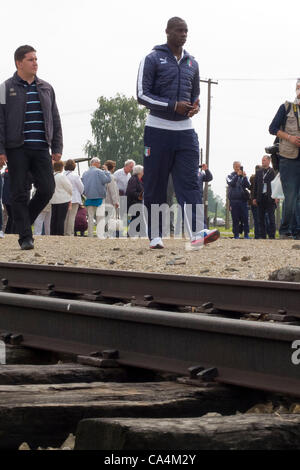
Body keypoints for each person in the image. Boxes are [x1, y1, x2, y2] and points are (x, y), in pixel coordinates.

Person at [137, 16, 219, 249]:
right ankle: (154, 235)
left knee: (190, 182)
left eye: (186, 31)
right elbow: (142, 95)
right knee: (155, 184)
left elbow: (195, 95)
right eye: (179, 30)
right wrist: (172, 105)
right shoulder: (152, 58)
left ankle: (197, 232)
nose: (183, 34)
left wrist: (195, 106)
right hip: (158, 129)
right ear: (167, 32)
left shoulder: (193, 63)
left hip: (185, 131)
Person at [0, 45, 63, 250]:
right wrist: (1, 150)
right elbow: (0, 121)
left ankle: (23, 221)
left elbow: (55, 117)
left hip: (41, 148)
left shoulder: (46, 88)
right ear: (19, 63)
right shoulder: (5, 88)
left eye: (36, 59)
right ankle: (26, 237)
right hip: (16, 148)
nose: (35, 63)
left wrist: (57, 145)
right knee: (19, 193)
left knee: (47, 188)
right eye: (30, 59)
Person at [269, 79, 300, 240]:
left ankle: (297, 230)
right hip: (289, 158)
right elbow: (272, 128)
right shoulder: (286, 107)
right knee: (291, 195)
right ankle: (286, 229)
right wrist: (290, 137)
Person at [81, 157, 111, 238]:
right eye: (99, 163)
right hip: (99, 197)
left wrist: (85, 194)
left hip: (89, 197)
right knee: (100, 216)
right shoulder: (99, 171)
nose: (100, 165)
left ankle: (90, 234)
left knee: (90, 217)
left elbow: (82, 185)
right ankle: (99, 234)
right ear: (96, 163)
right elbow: (108, 180)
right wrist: (107, 171)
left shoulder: (85, 173)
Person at [253, 155, 277, 239]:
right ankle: (262, 235)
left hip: (270, 197)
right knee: (260, 218)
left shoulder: (273, 172)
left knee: (271, 218)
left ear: (269, 161)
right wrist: (254, 198)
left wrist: (276, 196)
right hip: (260, 197)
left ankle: (272, 235)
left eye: (264, 160)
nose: (262, 162)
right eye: (262, 160)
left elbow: (276, 185)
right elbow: (255, 186)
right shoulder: (259, 172)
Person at [226, 161, 251, 239]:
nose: (238, 168)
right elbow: (231, 183)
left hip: (243, 201)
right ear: (233, 167)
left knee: (245, 218)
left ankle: (246, 234)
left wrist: (245, 177)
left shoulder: (243, 176)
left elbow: (248, 186)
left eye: (239, 166)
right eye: (236, 166)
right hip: (234, 201)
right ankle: (236, 235)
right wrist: (237, 175)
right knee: (235, 219)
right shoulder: (229, 176)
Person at [49, 160, 72, 236]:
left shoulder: (51, 176)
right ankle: (59, 234)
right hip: (63, 200)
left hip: (54, 200)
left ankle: (53, 233)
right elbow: (69, 187)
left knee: (54, 218)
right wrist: (70, 195)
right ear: (62, 167)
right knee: (61, 219)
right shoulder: (62, 176)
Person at [64, 159, 84, 236]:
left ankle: (64, 232)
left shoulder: (62, 175)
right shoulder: (75, 176)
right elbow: (81, 188)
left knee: (65, 217)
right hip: (74, 199)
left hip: (64, 198)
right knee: (72, 217)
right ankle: (70, 233)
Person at [103, 160, 121, 237]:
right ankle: (109, 234)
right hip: (110, 200)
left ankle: (105, 233)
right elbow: (113, 190)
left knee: (104, 218)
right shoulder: (111, 177)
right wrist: (116, 202)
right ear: (112, 168)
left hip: (103, 200)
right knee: (110, 218)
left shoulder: (102, 175)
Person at [126, 165, 144, 236]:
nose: (143, 172)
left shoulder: (139, 179)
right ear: (139, 172)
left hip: (138, 203)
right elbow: (130, 191)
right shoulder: (133, 179)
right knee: (133, 219)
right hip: (133, 203)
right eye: (142, 171)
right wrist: (140, 196)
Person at [249, 165, 262, 239]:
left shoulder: (252, 178)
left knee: (257, 219)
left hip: (254, 200)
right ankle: (259, 234)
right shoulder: (255, 178)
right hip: (256, 201)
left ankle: (257, 235)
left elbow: (250, 187)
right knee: (259, 219)